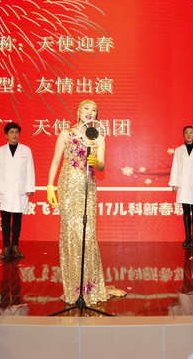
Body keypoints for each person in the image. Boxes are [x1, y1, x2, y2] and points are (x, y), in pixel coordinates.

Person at [46, 99, 125, 305]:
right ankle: (73, 286)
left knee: (87, 234)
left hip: (88, 188)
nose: (90, 112)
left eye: (94, 110)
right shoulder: (65, 134)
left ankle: (90, 286)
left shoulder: (97, 137)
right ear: (78, 111)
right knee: (70, 233)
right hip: (67, 187)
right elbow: (56, 161)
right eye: (86, 108)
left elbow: (102, 165)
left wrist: (96, 162)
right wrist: (50, 187)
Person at [0, 123, 34, 260]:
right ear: (6, 135)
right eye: (11, 132)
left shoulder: (26, 150)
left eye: (16, 132)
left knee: (17, 220)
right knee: (5, 220)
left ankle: (15, 246)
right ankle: (6, 247)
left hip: (20, 189)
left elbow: (30, 169)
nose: (14, 134)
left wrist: (30, 187)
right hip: (5, 190)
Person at [169, 126, 193, 248]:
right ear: (183, 135)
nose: (188, 134)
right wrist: (174, 183)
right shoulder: (179, 150)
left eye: (191, 132)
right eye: (186, 133)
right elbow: (175, 166)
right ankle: (187, 237)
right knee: (186, 211)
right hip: (183, 184)